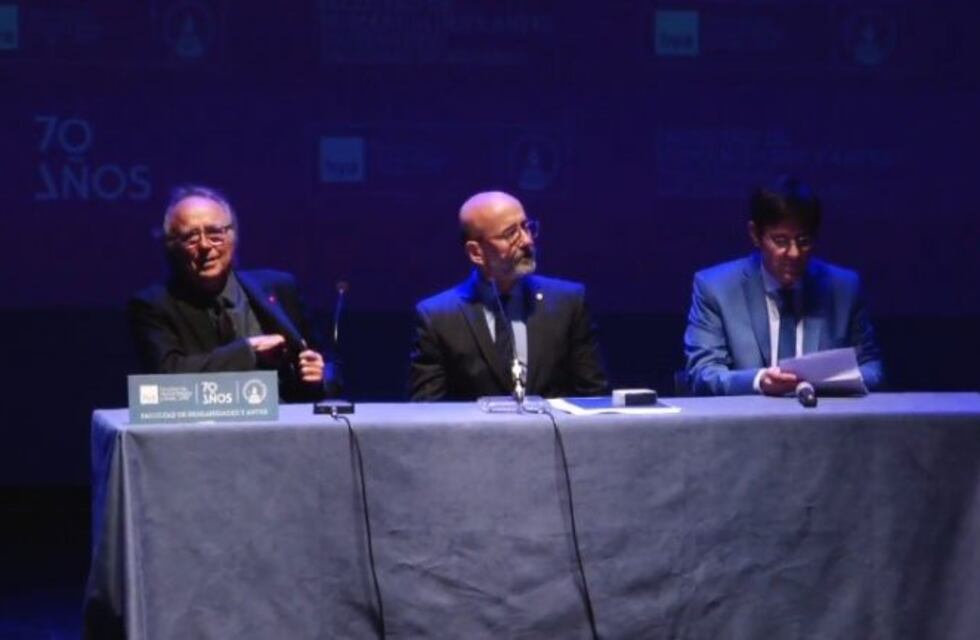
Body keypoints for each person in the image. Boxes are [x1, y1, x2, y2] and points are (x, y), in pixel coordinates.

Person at [129, 185, 336, 402]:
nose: (205, 245)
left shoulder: (280, 287)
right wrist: (248, 351)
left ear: (233, 236)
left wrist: (319, 376)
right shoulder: (152, 305)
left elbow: (327, 363)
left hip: (287, 426)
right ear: (171, 246)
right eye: (190, 237)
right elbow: (166, 378)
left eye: (215, 234)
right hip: (204, 430)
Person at [684, 177, 884, 396]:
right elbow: (702, 373)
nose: (794, 253)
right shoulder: (715, 288)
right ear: (755, 235)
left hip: (824, 424)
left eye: (803, 241)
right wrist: (759, 381)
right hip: (745, 426)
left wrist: (828, 383)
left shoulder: (844, 288)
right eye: (780, 241)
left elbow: (872, 369)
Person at [409, 190, 609, 401]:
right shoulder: (438, 317)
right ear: (476, 252)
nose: (526, 241)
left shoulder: (567, 303)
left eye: (526, 227)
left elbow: (594, 399)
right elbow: (427, 411)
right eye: (510, 234)